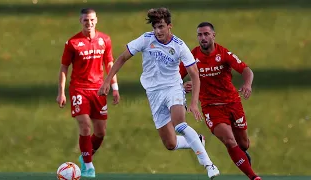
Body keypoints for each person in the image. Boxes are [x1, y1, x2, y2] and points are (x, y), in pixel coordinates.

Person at [98, 8, 220, 179]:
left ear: (170, 26)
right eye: (155, 27)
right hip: (153, 93)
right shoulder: (146, 39)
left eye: (161, 27)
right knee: (170, 143)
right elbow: (122, 58)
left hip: (173, 88)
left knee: (180, 124)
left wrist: (193, 103)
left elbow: (194, 74)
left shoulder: (179, 45)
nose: (158, 31)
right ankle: (197, 140)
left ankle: (208, 164)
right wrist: (107, 81)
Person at [179, 22, 261, 180]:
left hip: (232, 103)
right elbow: (176, 77)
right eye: (200, 35)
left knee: (243, 144)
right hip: (211, 107)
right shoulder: (191, 56)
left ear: (213, 36)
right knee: (229, 141)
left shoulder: (223, 53)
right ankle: (253, 177)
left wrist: (247, 84)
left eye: (206, 34)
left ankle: (242, 155)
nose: (202, 38)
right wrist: (182, 85)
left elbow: (246, 70)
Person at [56, 8, 120, 178]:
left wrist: (115, 88)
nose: (89, 23)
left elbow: (109, 64)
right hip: (79, 88)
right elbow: (64, 67)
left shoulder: (105, 40)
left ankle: (85, 155)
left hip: (98, 90)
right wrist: (61, 92)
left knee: (100, 133)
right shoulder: (72, 43)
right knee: (85, 125)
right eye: (85, 20)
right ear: (80, 21)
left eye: (91, 20)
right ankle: (88, 166)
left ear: (96, 20)